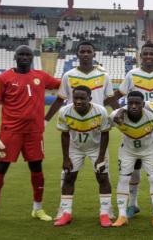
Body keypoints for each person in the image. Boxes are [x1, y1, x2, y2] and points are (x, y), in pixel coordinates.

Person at [0, 45, 60, 226]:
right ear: (15, 57)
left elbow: (63, 85)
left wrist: (80, 73)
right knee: (0, 169)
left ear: (32, 58)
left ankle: (38, 208)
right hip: (10, 132)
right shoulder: (3, 78)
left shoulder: (41, 76)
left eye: (28, 55)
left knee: (37, 169)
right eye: (21, 54)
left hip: (34, 133)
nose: (25, 57)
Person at [44, 41, 118, 221]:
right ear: (77, 54)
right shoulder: (68, 75)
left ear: (94, 54)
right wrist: (45, 120)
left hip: (97, 127)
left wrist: (119, 115)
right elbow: (60, 100)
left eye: (88, 51)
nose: (85, 54)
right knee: (67, 174)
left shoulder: (103, 76)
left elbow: (110, 100)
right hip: (74, 128)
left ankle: (107, 211)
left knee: (102, 174)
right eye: (82, 51)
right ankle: (63, 211)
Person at [112, 42, 153, 219]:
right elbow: (117, 96)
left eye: (151, 54)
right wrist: (120, 111)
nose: (148, 56)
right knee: (135, 165)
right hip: (137, 126)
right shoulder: (132, 74)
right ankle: (133, 204)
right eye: (145, 54)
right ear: (141, 56)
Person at [53, 85, 113, 227]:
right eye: (76, 98)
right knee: (68, 176)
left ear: (90, 98)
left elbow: (105, 134)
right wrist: (66, 158)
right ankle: (66, 213)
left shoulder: (100, 111)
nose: (78, 101)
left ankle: (105, 213)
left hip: (96, 148)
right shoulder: (65, 111)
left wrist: (101, 157)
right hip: (75, 148)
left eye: (82, 98)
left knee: (102, 177)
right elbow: (65, 135)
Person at [109, 91, 153, 227]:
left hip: (149, 150)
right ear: (126, 104)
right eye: (131, 103)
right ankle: (122, 216)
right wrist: (120, 111)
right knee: (123, 179)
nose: (134, 106)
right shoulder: (115, 116)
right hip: (127, 151)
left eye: (137, 103)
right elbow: (104, 128)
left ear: (143, 104)